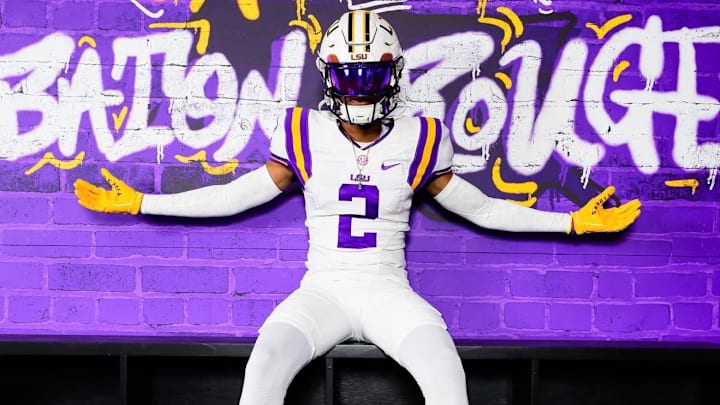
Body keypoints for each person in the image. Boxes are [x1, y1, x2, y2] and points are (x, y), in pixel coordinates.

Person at [74, 10, 641, 405]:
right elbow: (233, 195)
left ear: (392, 76)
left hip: (388, 290)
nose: (361, 88)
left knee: (446, 374)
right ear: (330, 77)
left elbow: (484, 210)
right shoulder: (303, 131)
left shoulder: (422, 136)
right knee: (264, 365)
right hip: (322, 290)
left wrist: (571, 221)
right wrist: (144, 201)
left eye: (371, 75)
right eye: (349, 75)